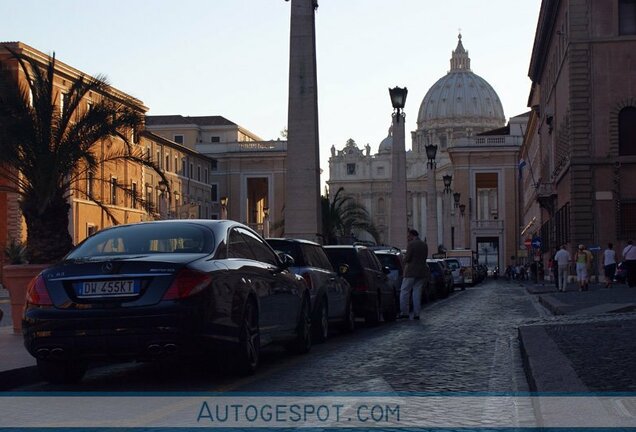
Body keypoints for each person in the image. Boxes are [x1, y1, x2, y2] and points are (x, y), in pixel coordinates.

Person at [398, 229, 430, 320]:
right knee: (417, 293)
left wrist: (403, 259)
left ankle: (404, 312)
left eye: (408, 236)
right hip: (421, 271)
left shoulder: (411, 244)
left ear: (412, 235)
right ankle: (417, 313)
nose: (407, 238)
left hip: (410, 271)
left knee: (404, 291)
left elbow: (407, 258)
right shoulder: (424, 245)